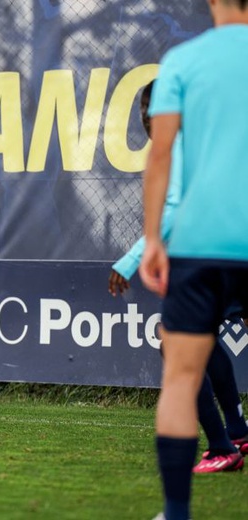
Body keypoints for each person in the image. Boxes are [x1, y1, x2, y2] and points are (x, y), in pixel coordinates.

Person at [139, 1, 248, 518]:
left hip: (200, 243)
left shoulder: (182, 61)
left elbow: (160, 155)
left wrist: (152, 240)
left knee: (181, 379)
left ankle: (176, 512)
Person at [109, 82, 247, 474]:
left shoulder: (176, 147)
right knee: (201, 341)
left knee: (178, 345)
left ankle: (221, 447)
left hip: (216, 255)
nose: (145, 118)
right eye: (142, 111)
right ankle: (237, 431)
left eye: (150, 109)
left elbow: (173, 209)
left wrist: (130, 260)